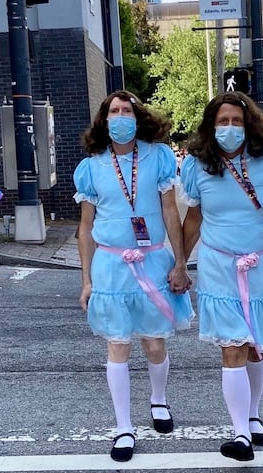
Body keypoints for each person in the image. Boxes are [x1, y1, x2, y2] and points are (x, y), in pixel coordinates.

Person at [180, 92, 263, 462]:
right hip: (219, 269)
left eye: (237, 121)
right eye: (223, 122)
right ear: (211, 126)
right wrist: (178, 265)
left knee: (255, 347)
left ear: (248, 124)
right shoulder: (196, 166)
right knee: (232, 347)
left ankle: (253, 417)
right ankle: (240, 434)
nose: (230, 128)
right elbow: (192, 222)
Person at [74, 90, 194, 463]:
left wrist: (180, 262)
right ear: (104, 119)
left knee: (155, 344)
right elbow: (85, 227)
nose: (121, 116)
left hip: (154, 260)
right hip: (110, 267)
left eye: (127, 110)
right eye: (114, 111)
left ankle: (159, 400)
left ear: (137, 116)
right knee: (118, 345)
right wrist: (87, 280)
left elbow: (171, 212)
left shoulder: (157, 157)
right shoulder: (91, 166)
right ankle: (123, 426)